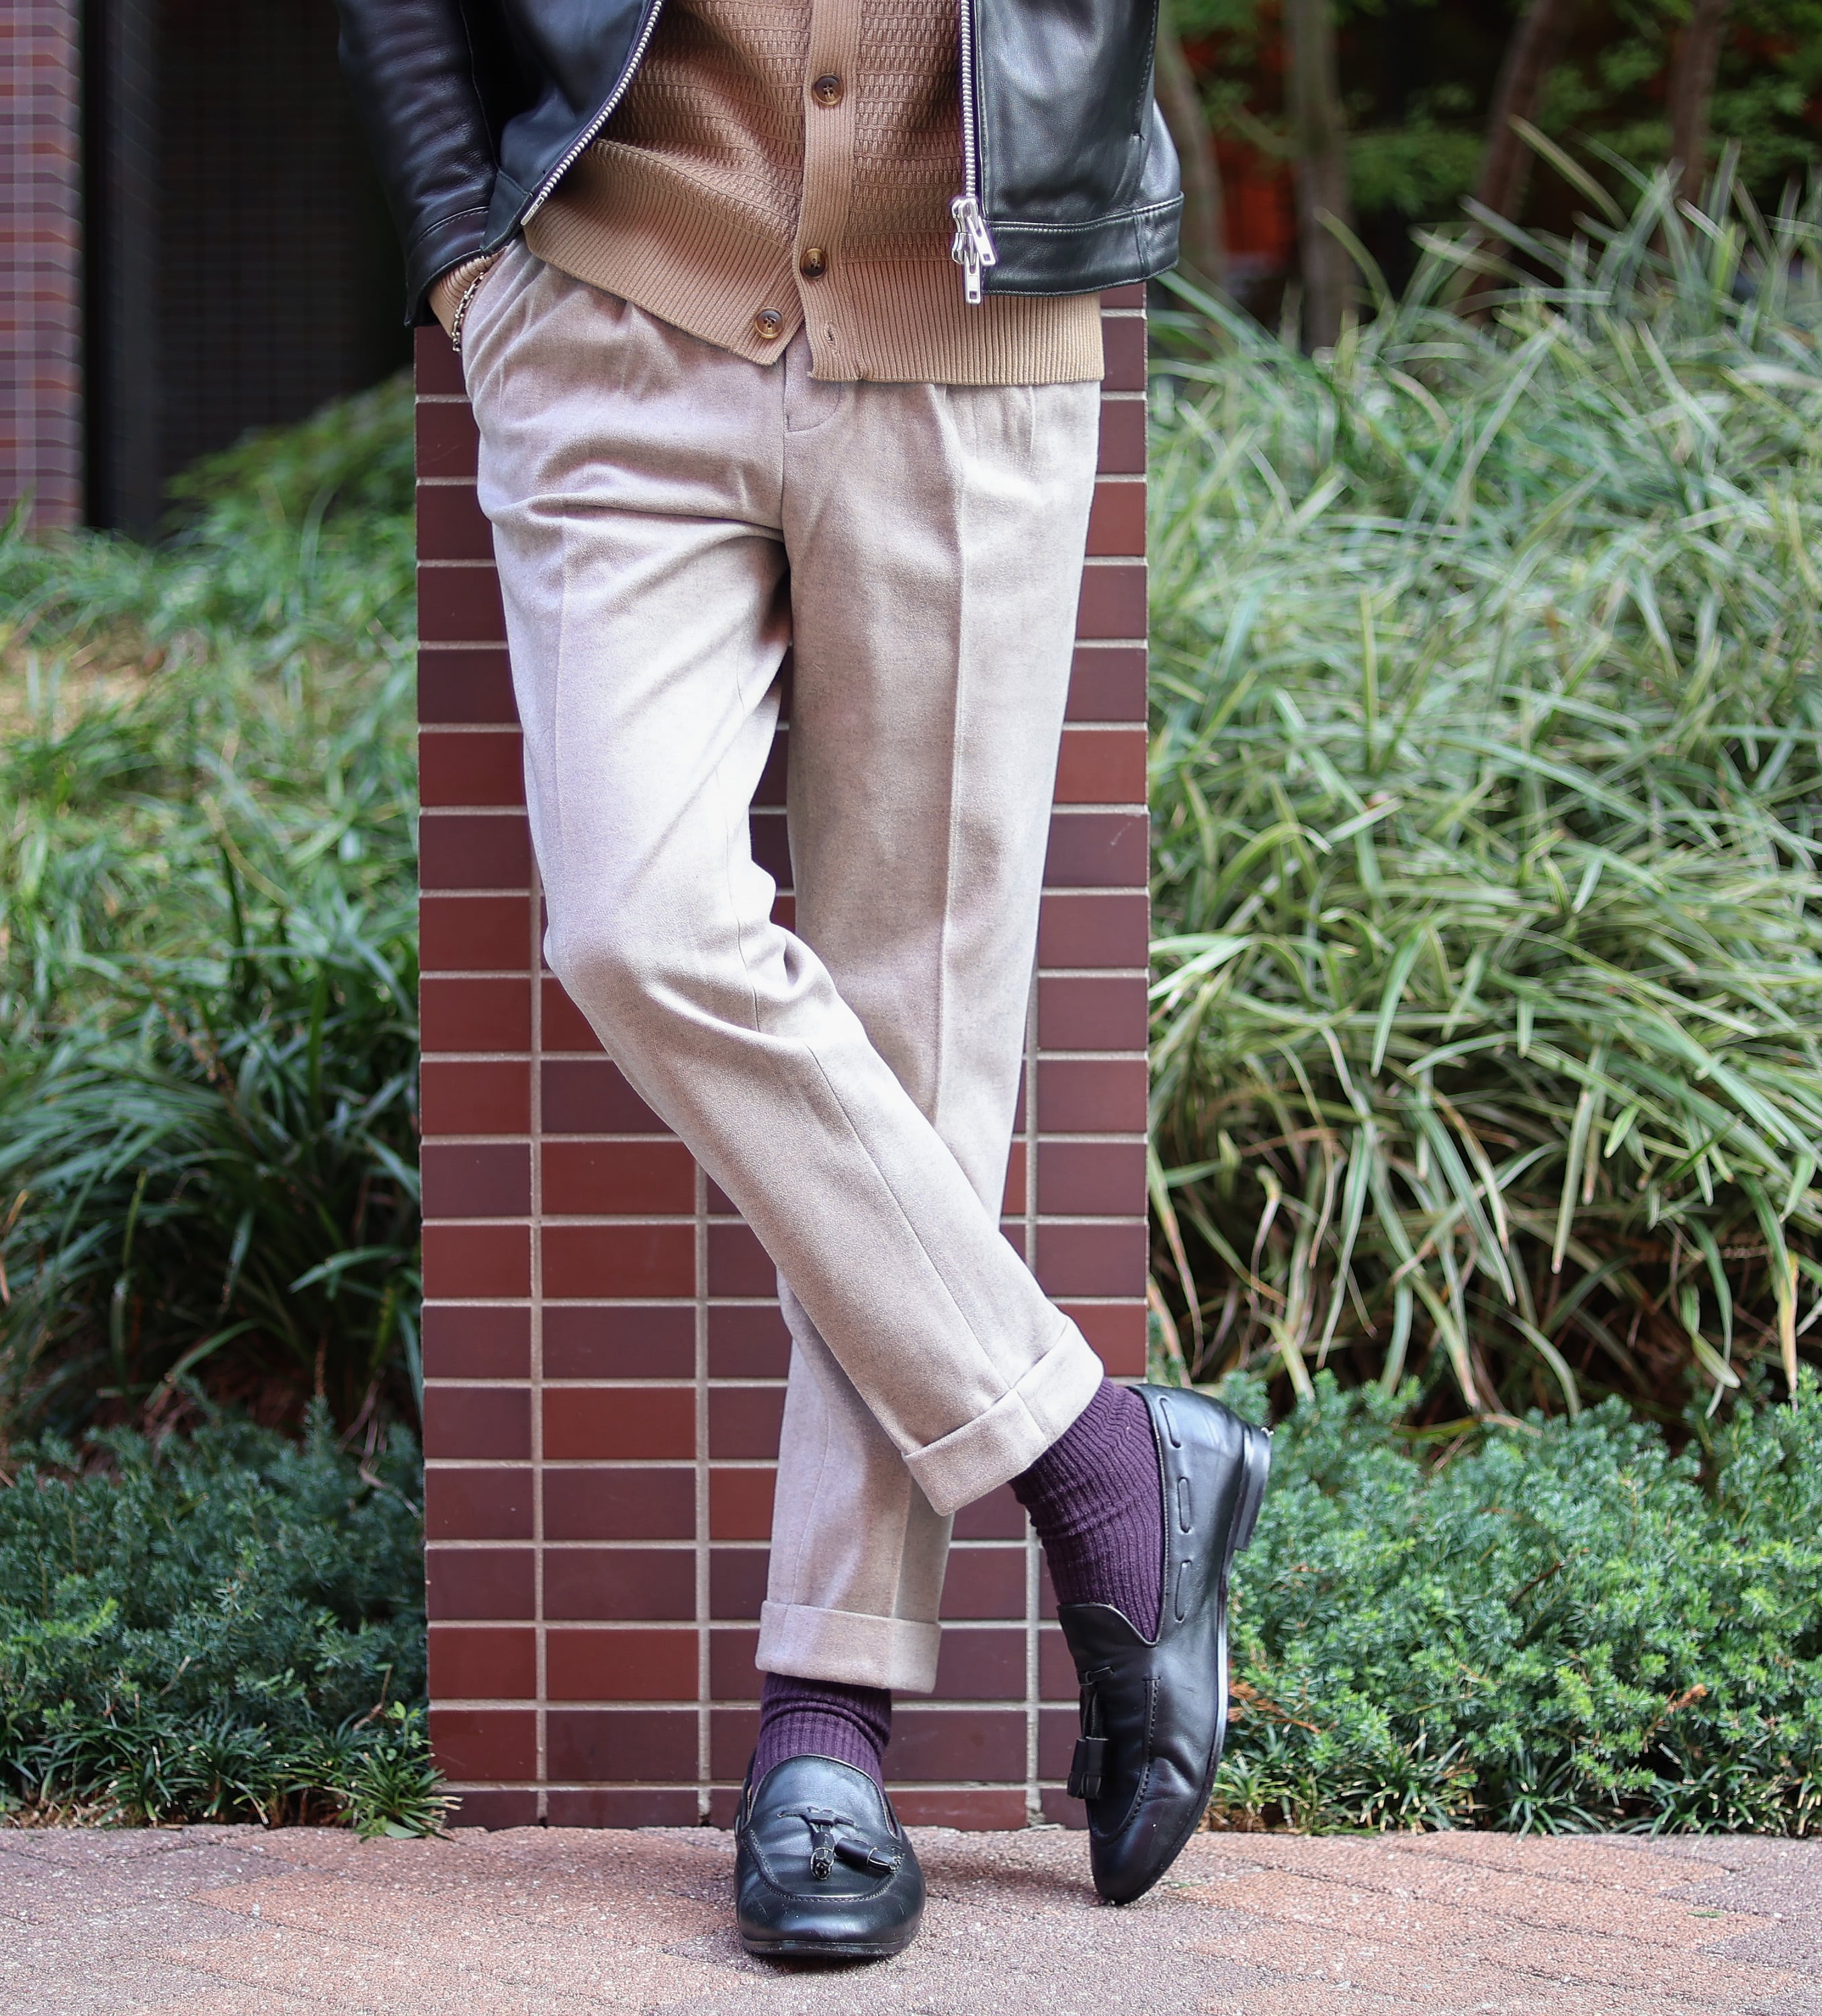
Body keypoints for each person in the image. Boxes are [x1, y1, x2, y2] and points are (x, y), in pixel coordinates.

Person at [337, 0, 1272, 1958]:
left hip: (975, 333)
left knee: (919, 1034)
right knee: (636, 919)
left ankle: (826, 1736)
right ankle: (1101, 1459)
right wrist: (463, 265)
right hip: (613, 310)